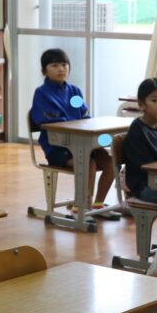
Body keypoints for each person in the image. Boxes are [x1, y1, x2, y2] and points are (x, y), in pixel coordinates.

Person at [29, 48, 116, 216]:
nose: (61, 69)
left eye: (64, 65)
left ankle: (97, 204)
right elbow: (44, 120)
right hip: (58, 148)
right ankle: (81, 205)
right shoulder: (42, 93)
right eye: (55, 65)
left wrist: (85, 125)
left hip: (84, 144)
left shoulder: (74, 91)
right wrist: (72, 124)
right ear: (44, 71)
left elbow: (84, 115)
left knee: (111, 162)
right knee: (88, 162)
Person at [122, 77, 157, 205]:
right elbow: (142, 167)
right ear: (142, 105)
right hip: (144, 185)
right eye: (154, 100)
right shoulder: (137, 129)